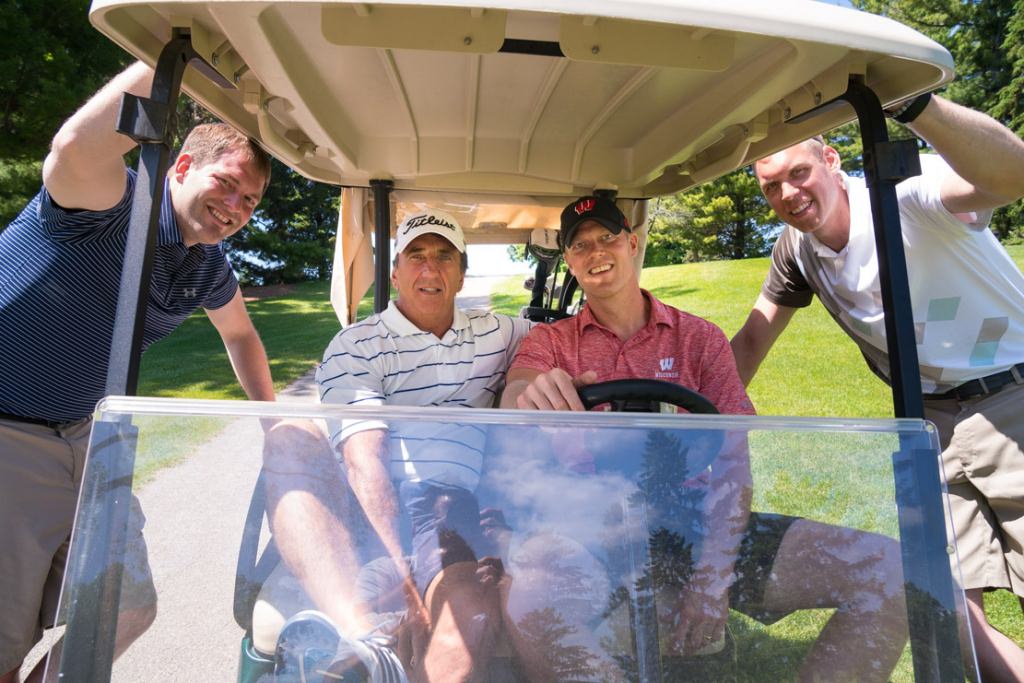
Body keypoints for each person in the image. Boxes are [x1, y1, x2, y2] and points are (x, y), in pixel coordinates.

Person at [500, 196, 910, 682]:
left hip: (690, 517)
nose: (596, 252)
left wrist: (713, 577)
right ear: (569, 260)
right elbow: (517, 394)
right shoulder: (552, 342)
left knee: (888, 569)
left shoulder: (699, 340)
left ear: (632, 243)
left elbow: (734, 463)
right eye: (580, 245)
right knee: (528, 602)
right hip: (589, 520)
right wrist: (532, 392)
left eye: (608, 238)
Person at [732, 92, 1024, 681]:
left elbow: (1013, 175)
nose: (788, 194)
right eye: (771, 186)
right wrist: (686, 427)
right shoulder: (797, 251)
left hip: (1011, 402)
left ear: (833, 160)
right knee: (950, 608)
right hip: (926, 427)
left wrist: (918, 105)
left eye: (799, 173)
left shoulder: (908, 194)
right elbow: (750, 343)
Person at [0, 62, 276, 683]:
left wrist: (272, 421)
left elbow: (241, 336)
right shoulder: (108, 202)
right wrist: (177, 44)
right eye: (227, 184)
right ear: (181, 166)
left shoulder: (206, 264)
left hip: (88, 442)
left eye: (249, 201)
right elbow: (72, 147)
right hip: (8, 434)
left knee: (125, 605)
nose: (235, 207)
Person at [258, 210, 537, 682]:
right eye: (417, 256)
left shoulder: (499, 333)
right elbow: (365, 460)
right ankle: (361, 636)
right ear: (395, 272)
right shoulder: (357, 344)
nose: (430, 269)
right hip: (364, 502)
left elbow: (560, 342)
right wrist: (406, 580)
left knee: (466, 615)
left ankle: (356, 658)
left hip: (449, 507)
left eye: (444, 257)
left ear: (462, 273)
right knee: (289, 434)